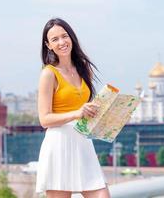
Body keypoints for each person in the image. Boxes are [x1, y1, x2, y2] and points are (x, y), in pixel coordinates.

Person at [36, 18, 111, 198]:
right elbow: (44, 119)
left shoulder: (84, 69)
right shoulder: (48, 74)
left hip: (83, 143)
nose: (61, 42)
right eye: (55, 39)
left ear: (71, 37)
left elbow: (86, 110)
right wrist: (77, 113)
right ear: (48, 45)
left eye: (64, 36)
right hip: (58, 144)